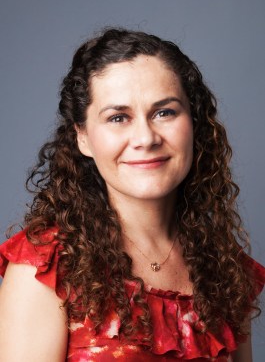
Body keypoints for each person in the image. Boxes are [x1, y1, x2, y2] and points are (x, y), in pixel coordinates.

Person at [0, 28, 264, 362]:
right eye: (118, 117)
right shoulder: (46, 269)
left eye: (164, 112)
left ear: (194, 123)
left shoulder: (224, 269)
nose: (145, 137)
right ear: (82, 137)